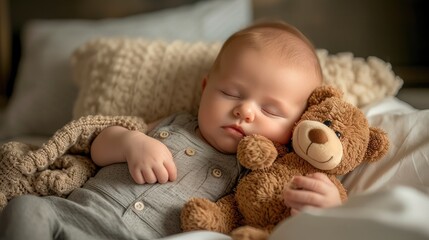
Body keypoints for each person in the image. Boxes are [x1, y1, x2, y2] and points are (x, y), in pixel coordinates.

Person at [0, 21, 342, 240]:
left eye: (270, 110)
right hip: (76, 214)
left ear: (296, 125)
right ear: (205, 88)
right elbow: (97, 148)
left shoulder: (257, 173)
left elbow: (274, 214)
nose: (245, 111)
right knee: (25, 209)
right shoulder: (174, 122)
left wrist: (323, 205)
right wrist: (130, 142)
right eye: (231, 94)